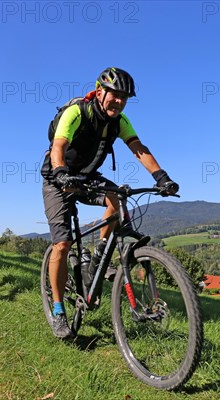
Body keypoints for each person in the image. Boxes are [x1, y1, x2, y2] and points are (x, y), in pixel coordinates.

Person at [41, 67, 178, 339]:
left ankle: (101, 255)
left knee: (118, 198)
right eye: (114, 95)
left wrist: (161, 177)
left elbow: (138, 148)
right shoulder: (77, 112)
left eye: (124, 97)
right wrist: (60, 172)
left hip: (89, 178)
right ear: (100, 91)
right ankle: (58, 311)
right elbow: (58, 146)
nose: (118, 101)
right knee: (63, 243)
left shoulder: (120, 121)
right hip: (58, 179)